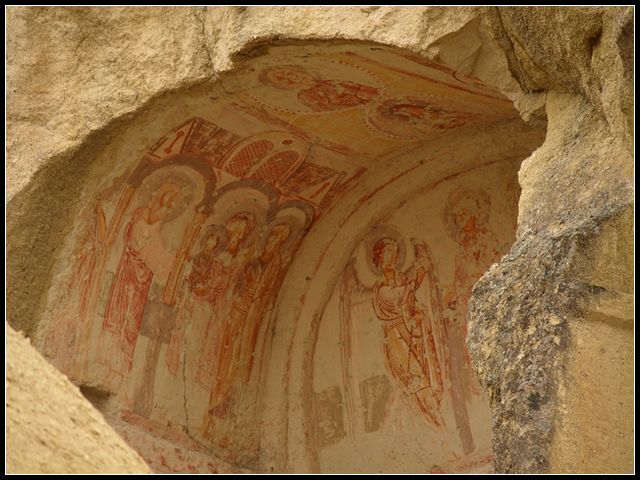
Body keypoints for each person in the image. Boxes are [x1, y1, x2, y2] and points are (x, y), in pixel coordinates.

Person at [97, 182, 183, 388]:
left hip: (141, 284)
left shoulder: (156, 231)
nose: (165, 212)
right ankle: (106, 371)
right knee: (117, 318)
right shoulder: (138, 221)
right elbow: (139, 248)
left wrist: (173, 263)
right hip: (126, 276)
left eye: (170, 209)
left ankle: (120, 375)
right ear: (156, 202)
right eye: (165, 205)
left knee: (131, 325)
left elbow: (157, 257)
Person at [370, 237, 444, 427]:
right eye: (387, 252)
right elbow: (397, 297)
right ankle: (437, 423)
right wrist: (414, 282)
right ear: (379, 258)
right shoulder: (380, 288)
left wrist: (419, 313)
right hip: (396, 337)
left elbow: (412, 304)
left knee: (424, 379)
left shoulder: (401, 279)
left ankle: (437, 421)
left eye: (394, 252)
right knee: (418, 379)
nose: (392, 256)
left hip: (414, 334)